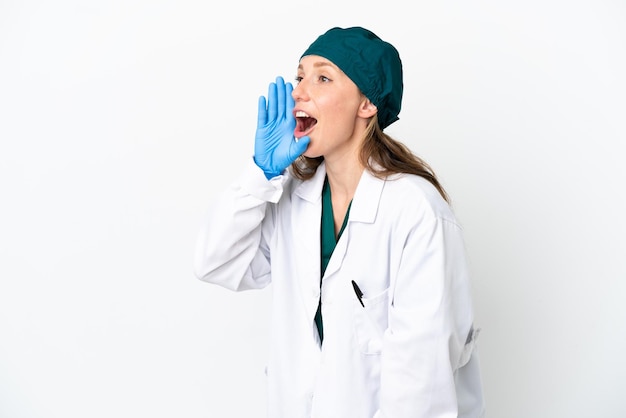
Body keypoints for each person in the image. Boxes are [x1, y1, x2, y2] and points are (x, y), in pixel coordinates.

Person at [194, 26, 485, 418]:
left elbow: (420, 384)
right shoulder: (292, 199)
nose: (299, 91)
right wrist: (260, 175)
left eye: (322, 77)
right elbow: (214, 261)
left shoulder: (415, 211)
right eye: (300, 76)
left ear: (366, 103)